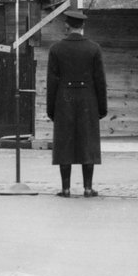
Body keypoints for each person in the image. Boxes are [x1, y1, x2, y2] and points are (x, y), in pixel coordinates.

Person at [46, 10, 107, 194]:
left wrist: (51, 110)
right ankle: (88, 188)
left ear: (67, 26)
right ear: (83, 26)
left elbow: (52, 82)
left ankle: (65, 189)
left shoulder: (56, 49)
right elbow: (100, 80)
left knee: (64, 143)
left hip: (64, 100)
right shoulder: (94, 49)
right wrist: (102, 108)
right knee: (87, 142)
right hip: (88, 101)